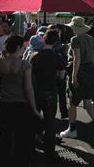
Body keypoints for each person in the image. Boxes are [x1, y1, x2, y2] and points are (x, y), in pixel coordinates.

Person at [0, 35, 42, 167]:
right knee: (21, 138)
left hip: (4, 103)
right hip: (20, 104)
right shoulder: (25, 65)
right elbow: (29, 89)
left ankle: (2, 161)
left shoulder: (0, 62)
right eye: (23, 46)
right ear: (18, 47)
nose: (24, 48)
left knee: (5, 135)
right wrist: (34, 109)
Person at [60, 16, 94, 139]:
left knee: (73, 102)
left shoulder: (75, 39)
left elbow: (77, 58)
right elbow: (92, 56)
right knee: (87, 101)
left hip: (80, 72)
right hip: (90, 71)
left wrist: (74, 76)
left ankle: (72, 129)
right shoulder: (90, 38)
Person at [31, 29, 65, 163]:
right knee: (50, 123)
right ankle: (49, 152)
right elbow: (62, 76)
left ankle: (32, 146)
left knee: (34, 119)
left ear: (43, 39)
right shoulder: (58, 57)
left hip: (36, 90)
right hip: (51, 91)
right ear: (56, 42)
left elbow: (30, 75)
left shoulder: (35, 56)